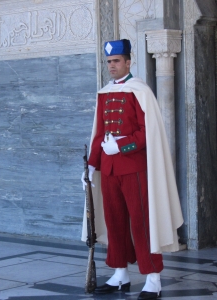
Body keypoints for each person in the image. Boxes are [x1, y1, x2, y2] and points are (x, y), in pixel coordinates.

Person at [81, 39, 184, 300]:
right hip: (109, 170)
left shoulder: (140, 91)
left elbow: (147, 132)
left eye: (116, 61)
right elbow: (99, 134)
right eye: (109, 62)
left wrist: (122, 146)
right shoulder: (104, 92)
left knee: (141, 223)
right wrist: (91, 166)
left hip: (134, 168)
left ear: (128, 62)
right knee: (114, 221)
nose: (112, 66)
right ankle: (120, 274)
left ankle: (153, 278)